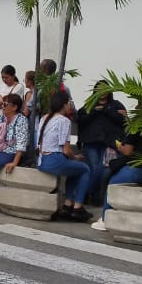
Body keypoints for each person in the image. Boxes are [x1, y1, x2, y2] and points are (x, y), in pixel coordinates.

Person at [33, 91, 92, 221]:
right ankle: (78, 207)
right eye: (69, 103)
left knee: (74, 170)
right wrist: (75, 157)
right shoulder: (64, 121)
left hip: (41, 161)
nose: (70, 106)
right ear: (64, 105)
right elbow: (66, 150)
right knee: (85, 169)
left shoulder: (44, 118)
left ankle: (68, 205)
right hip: (54, 160)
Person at [75, 80, 127, 207]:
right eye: (99, 89)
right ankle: (83, 194)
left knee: (104, 171)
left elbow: (123, 119)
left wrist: (105, 110)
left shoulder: (115, 105)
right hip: (91, 142)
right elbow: (80, 119)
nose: (102, 92)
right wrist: (95, 111)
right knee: (95, 168)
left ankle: (88, 194)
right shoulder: (89, 104)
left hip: (108, 144)